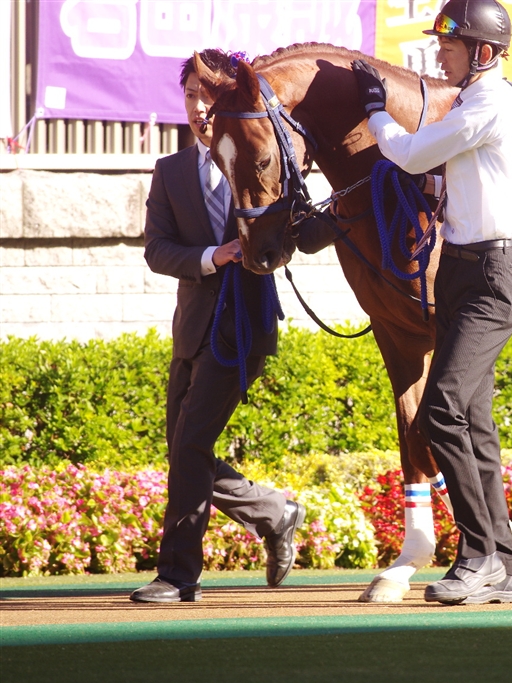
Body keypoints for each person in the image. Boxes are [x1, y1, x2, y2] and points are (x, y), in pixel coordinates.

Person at [351, 0, 512, 605]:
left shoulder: (489, 103)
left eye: (450, 46)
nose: (439, 54)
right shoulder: (474, 102)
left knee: (441, 411)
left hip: (490, 276)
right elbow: (441, 175)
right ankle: (502, 568)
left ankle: (478, 556)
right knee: (473, 420)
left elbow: (409, 153)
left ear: (484, 52)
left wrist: (376, 113)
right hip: (460, 269)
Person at [131, 49, 305, 603]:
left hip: (241, 329)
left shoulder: (258, 156)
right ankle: (275, 512)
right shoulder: (170, 171)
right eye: (191, 96)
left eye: (208, 97)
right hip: (191, 329)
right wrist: (214, 255)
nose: (199, 109)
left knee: (190, 445)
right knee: (184, 448)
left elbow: (292, 234)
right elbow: (157, 250)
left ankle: (178, 576)